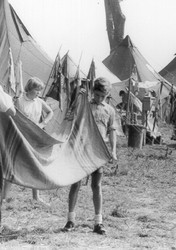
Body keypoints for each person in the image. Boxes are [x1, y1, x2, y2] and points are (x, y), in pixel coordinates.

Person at [63, 77, 117, 234]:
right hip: (81, 150)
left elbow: (112, 131)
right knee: (76, 184)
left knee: (96, 186)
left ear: (107, 95)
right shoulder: (84, 105)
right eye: (97, 95)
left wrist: (113, 150)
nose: (99, 98)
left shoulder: (109, 110)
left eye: (103, 96)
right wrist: (78, 95)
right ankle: (70, 220)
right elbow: (71, 114)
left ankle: (98, 222)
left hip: (98, 152)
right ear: (93, 92)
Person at [4, 77, 54, 204]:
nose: (39, 93)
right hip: (20, 136)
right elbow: (13, 117)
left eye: (40, 91)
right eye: (37, 90)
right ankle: (4, 196)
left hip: (34, 137)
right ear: (30, 89)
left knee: (35, 165)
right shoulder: (20, 101)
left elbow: (50, 112)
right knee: (12, 164)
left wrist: (43, 124)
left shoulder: (39, 101)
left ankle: (36, 197)